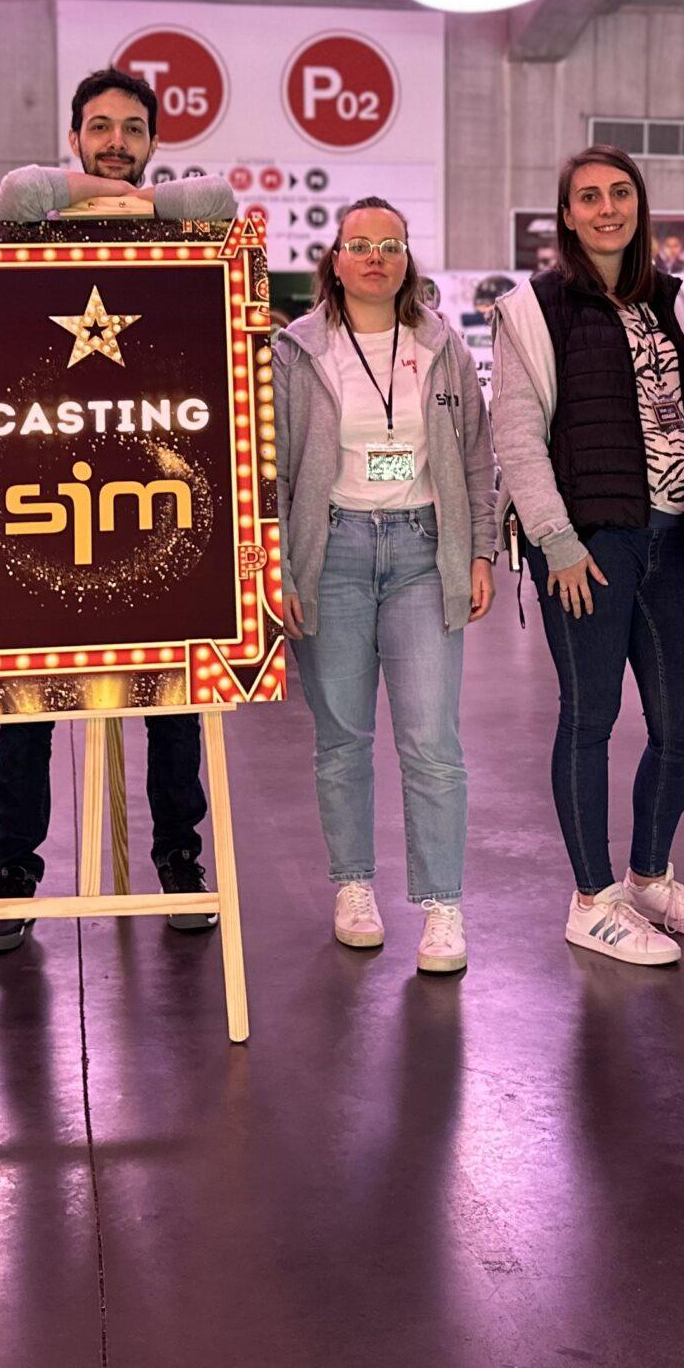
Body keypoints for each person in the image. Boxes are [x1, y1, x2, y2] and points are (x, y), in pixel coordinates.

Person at [0, 66, 236, 954]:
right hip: (44, 486)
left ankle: (179, 859)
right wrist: (109, 194)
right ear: (75, 136)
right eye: (98, 128)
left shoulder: (181, 209)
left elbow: (221, 197)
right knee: (26, 698)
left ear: (155, 141)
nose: (115, 141)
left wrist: (134, 198)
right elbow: (12, 194)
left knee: (173, 692)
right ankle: (14, 870)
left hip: (156, 483)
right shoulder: (37, 212)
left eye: (131, 129)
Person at [491, 146, 684, 967]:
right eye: (587, 197)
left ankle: (649, 877)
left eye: (620, 193)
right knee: (590, 718)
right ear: (565, 215)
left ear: (640, 204)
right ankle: (592, 899)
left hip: (667, 541)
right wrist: (555, 541)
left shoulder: (665, 301)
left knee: (683, 723)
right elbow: (517, 438)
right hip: (588, 548)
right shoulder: (536, 307)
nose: (606, 208)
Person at [274, 198, 498, 973]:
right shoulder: (294, 351)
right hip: (329, 551)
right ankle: (354, 885)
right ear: (333, 261)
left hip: (421, 548)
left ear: (408, 259)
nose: (376, 257)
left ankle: (442, 904)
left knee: (432, 739)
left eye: (391, 245)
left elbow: (474, 455)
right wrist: (280, 562)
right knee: (342, 738)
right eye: (360, 245)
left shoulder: (444, 348)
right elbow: (272, 467)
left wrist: (480, 551)